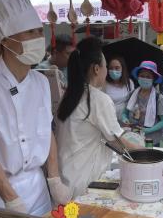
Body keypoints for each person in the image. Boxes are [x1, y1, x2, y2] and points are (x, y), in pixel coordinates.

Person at [0, 0, 70, 215]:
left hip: (38, 189)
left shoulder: (41, 83)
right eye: (28, 32)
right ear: (5, 40)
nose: (37, 38)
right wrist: (12, 200)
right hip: (0, 195)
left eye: (38, 32)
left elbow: (46, 131)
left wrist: (54, 179)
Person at [56, 37, 141, 198]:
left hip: (67, 177)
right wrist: (147, 153)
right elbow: (118, 140)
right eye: (106, 65)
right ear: (96, 69)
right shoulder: (97, 99)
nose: (108, 70)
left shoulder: (68, 96)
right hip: (85, 183)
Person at [122, 61, 163, 146]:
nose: (145, 79)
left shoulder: (158, 98)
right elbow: (124, 113)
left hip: (151, 140)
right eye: (142, 76)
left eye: (148, 77)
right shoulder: (132, 94)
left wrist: (148, 130)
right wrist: (124, 118)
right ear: (138, 77)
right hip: (133, 139)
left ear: (153, 79)